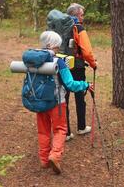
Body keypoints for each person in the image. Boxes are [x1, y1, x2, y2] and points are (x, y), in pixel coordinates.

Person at [36, 31, 94, 174]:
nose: (58, 49)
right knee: (60, 130)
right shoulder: (59, 62)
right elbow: (70, 84)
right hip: (57, 102)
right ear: (51, 45)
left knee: (43, 131)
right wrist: (85, 85)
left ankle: (44, 160)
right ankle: (55, 156)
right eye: (57, 46)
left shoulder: (35, 59)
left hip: (39, 101)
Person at [65, 3, 97, 141]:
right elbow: (87, 51)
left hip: (62, 66)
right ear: (76, 15)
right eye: (82, 14)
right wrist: (93, 64)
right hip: (77, 66)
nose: (83, 17)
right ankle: (81, 127)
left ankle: (65, 132)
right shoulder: (79, 28)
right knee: (79, 97)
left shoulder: (61, 27)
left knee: (63, 99)